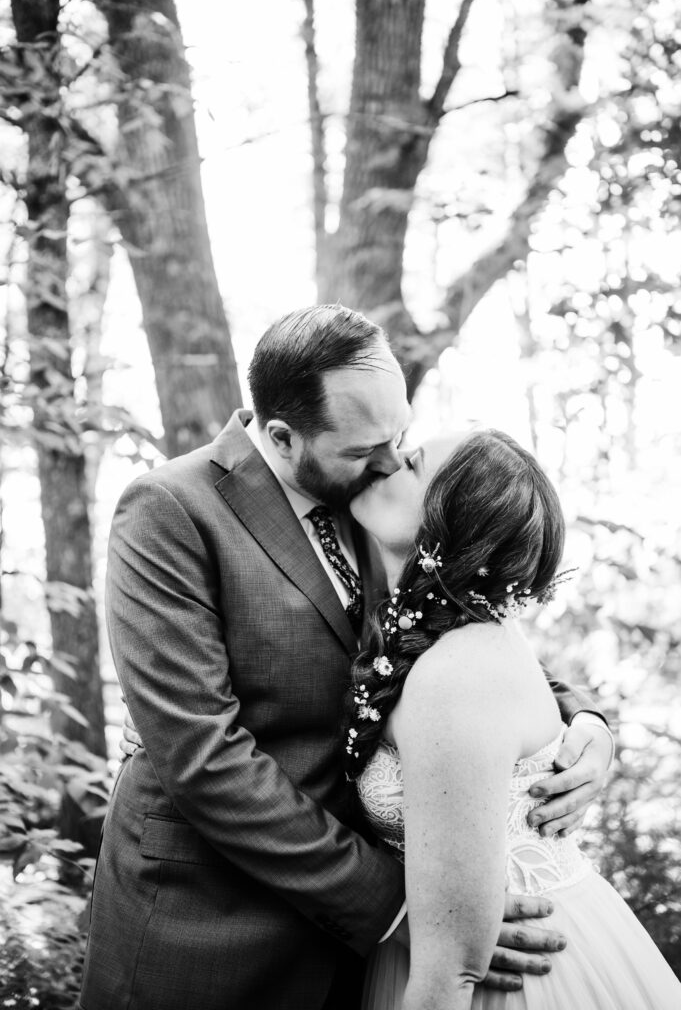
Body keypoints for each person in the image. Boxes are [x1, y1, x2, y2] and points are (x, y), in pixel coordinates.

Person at [79, 306, 613, 1010]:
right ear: (281, 436)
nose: (391, 461)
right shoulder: (170, 511)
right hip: (206, 920)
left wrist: (583, 725)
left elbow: (452, 630)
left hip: (345, 957)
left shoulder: (377, 503)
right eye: (367, 450)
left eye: (399, 437)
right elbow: (201, 756)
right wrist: (402, 908)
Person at [346, 428, 681, 1010]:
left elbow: (451, 971)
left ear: (448, 520)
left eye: (413, 463)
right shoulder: (456, 641)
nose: (388, 460)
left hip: (511, 974)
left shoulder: (458, 670)